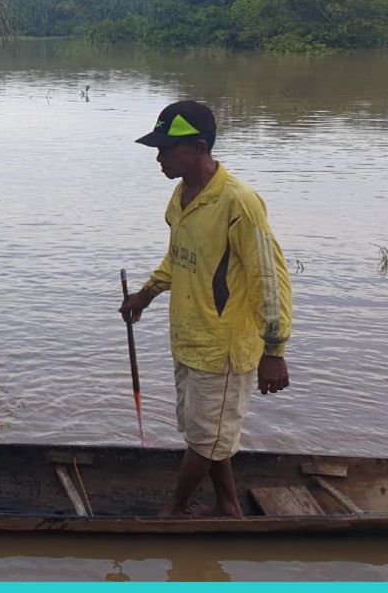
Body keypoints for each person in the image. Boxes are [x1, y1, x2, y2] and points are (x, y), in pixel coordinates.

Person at [120, 100, 292, 518]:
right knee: (208, 434)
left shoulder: (239, 204)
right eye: (157, 150)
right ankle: (229, 507)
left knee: (204, 439)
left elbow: (269, 278)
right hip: (189, 339)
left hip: (224, 350)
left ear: (198, 148)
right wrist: (146, 293)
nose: (158, 158)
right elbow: (179, 257)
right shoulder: (181, 196)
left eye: (166, 150)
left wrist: (275, 351)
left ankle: (174, 510)